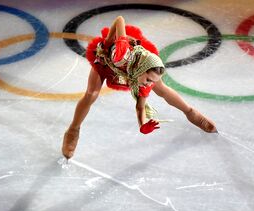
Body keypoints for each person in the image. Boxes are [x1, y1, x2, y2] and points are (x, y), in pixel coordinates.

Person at [62, 16, 217, 159]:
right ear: (142, 70)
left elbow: (140, 107)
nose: (149, 84)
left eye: (151, 81)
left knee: (160, 88)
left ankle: (191, 112)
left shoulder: (145, 77)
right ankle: (73, 129)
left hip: (134, 65)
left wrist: (142, 125)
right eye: (148, 79)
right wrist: (108, 42)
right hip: (107, 59)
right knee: (92, 94)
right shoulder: (120, 56)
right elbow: (119, 20)